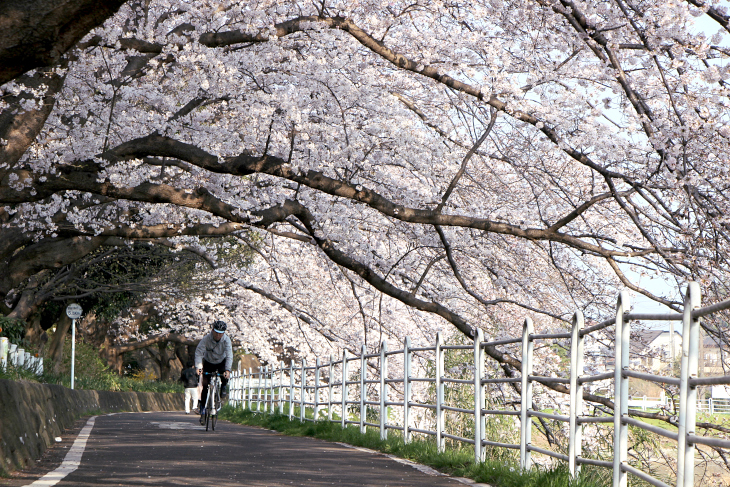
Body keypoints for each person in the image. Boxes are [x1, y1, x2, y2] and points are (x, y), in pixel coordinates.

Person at [195, 320, 233, 425]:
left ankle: (223, 387)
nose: (218, 334)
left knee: (224, 375)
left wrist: (228, 370)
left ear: (224, 333)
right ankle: (202, 410)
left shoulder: (226, 340)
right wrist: (199, 367)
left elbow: (229, 355)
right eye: (216, 332)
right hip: (208, 362)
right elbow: (199, 352)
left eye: (220, 333)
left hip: (221, 361)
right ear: (212, 330)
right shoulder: (206, 339)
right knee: (205, 385)